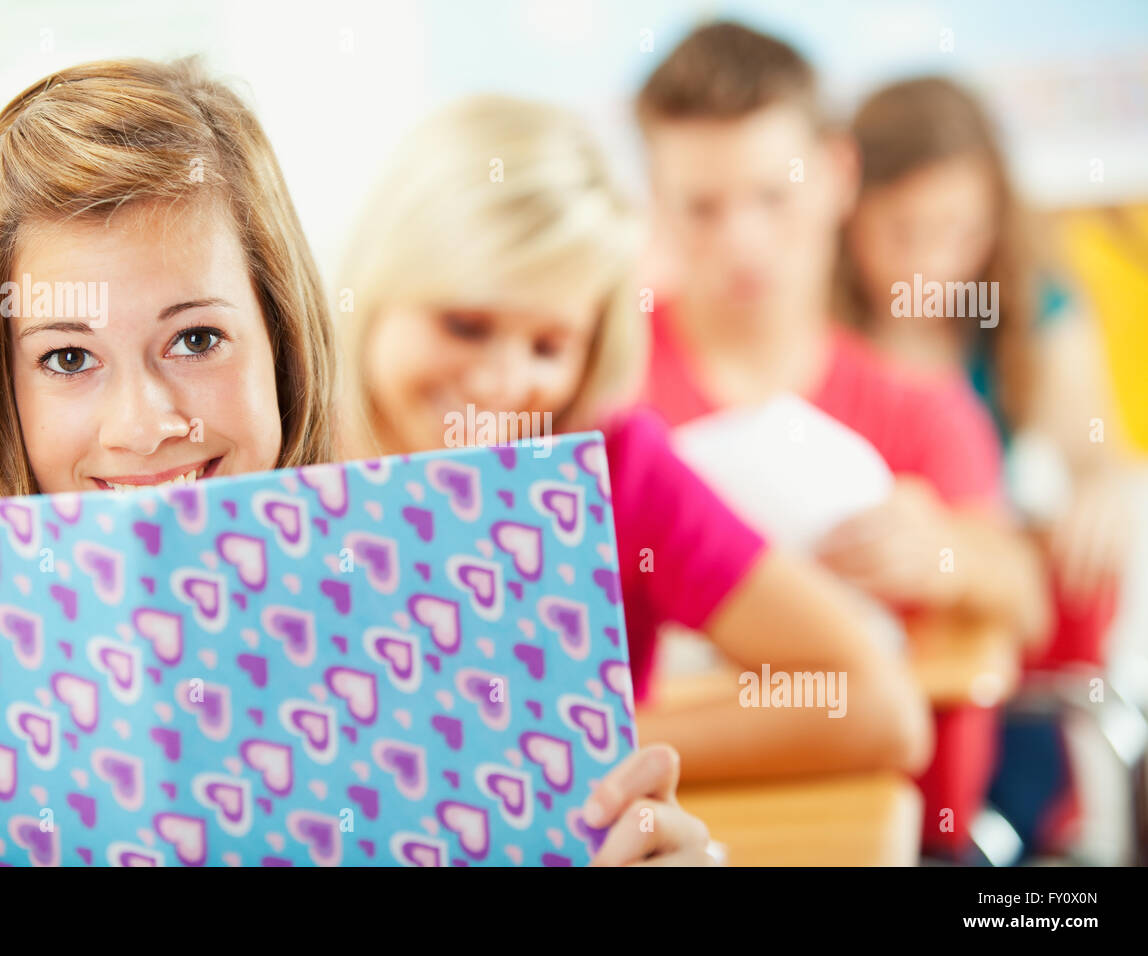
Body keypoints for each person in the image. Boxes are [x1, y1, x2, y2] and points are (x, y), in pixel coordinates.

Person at [0, 57, 705, 866]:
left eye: (196, 339)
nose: (142, 425)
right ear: (2, 387)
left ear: (282, 344)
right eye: (66, 358)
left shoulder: (439, 644)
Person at [334, 94, 932, 789]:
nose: (502, 383)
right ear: (378, 290)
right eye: (464, 325)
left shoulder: (615, 468)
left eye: (548, 345)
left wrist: (568, 750)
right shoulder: (286, 460)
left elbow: (879, 705)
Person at [631, 22, 1051, 856]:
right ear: (653, 199)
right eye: (701, 206)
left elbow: (1027, 600)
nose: (742, 241)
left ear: (837, 176)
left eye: (772, 197)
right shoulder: (607, 395)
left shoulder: (921, 409)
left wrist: (946, 555)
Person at [839, 76, 1135, 854]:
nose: (932, 265)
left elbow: (1095, 449)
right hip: (858, 603)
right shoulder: (823, 326)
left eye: (959, 232)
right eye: (902, 230)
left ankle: (1021, 819)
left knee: (1079, 575)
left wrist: (1105, 486)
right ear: (845, 211)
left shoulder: (1024, 308)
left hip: (976, 590)